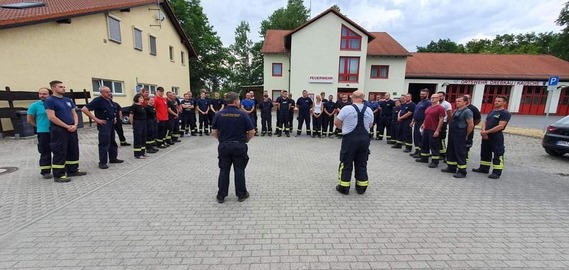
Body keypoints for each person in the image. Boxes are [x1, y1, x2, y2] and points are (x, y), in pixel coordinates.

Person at [211, 91, 255, 203]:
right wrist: (246, 140)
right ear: (235, 101)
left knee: (224, 170)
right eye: (239, 100)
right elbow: (251, 131)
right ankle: (241, 194)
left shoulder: (219, 114)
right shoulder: (243, 114)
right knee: (239, 170)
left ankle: (221, 195)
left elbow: (214, 132)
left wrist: (221, 140)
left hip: (224, 146)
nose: (239, 102)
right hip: (239, 146)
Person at [45, 80, 87, 182]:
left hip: (72, 128)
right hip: (59, 129)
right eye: (60, 87)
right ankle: (58, 175)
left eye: (64, 86)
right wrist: (66, 126)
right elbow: (51, 117)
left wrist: (75, 125)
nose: (63, 88)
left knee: (73, 149)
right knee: (60, 150)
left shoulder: (67, 100)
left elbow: (74, 113)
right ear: (53, 88)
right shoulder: (50, 100)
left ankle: (72, 170)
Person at [334, 90, 374, 195]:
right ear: (363, 98)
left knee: (346, 162)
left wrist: (345, 128)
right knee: (362, 163)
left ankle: (344, 187)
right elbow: (370, 125)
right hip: (365, 140)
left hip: (350, 140)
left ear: (352, 98)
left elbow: (336, 122)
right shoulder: (369, 110)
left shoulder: (346, 109)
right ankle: (361, 187)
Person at [82, 86, 124, 169]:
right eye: (107, 92)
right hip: (104, 124)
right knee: (104, 142)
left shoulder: (109, 100)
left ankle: (113, 158)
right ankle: (102, 162)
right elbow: (84, 109)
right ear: (101, 93)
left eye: (110, 91)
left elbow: (113, 110)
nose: (109, 93)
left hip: (111, 123)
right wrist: (96, 119)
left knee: (112, 141)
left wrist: (114, 118)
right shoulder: (98, 100)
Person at [472, 95, 511, 179]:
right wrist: (483, 130)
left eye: (499, 101)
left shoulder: (505, 113)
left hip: (496, 136)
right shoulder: (492, 111)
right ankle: (484, 168)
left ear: (504, 103)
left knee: (498, 154)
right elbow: (485, 122)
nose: (496, 102)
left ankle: (497, 172)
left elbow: (500, 126)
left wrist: (487, 132)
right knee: (485, 152)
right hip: (486, 135)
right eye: (496, 100)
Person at [441, 96, 474, 178]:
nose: (457, 102)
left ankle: (462, 171)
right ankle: (451, 167)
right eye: (456, 101)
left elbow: (471, 125)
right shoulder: (456, 110)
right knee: (451, 150)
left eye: (459, 101)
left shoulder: (467, 111)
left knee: (460, 153)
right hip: (453, 134)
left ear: (465, 102)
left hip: (461, 135)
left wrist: (466, 135)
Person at [27, 87, 53, 179]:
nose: (42, 96)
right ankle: (45, 171)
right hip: (43, 132)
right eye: (40, 94)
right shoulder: (35, 106)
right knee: (45, 151)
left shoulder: (53, 103)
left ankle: (61, 169)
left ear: (50, 94)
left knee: (59, 150)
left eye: (44, 94)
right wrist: (39, 126)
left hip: (55, 131)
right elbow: (29, 119)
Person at [415, 94, 445, 168]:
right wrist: (423, 124)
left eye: (434, 98)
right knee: (424, 144)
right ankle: (424, 158)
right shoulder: (429, 107)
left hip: (433, 129)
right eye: (432, 98)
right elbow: (427, 117)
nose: (432, 99)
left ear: (438, 99)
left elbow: (441, 119)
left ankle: (435, 162)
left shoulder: (440, 108)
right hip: (426, 129)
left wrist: (437, 130)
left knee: (434, 145)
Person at [410, 89, 431, 158]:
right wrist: (413, 121)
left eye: (423, 94)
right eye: (421, 94)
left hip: (422, 122)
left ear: (427, 94)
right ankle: (417, 151)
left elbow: (427, 114)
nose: (421, 95)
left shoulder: (428, 103)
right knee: (416, 137)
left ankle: (421, 152)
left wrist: (424, 123)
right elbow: (416, 113)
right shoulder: (420, 102)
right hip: (416, 122)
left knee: (420, 137)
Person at [128, 94, 148, 159]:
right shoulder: (134, 106)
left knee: (143, 137)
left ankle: (142, 152)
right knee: (138, 138)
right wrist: (132, 124)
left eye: (142, 98)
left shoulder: (142, 106)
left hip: (143, 122)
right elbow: (131, 116)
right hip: (137, 122)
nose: (142, 99)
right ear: (137, 99)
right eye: (141, 98)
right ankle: (137, 154)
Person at [464, 94, 481, 160]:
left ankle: (464, 160)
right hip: (460, 130)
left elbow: (477, 120)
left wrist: (471, 125)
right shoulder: (460, 107)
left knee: (466, 145)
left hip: (468, 130)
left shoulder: (473, 109)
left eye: (466, 98)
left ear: (469, 99)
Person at [437, 91, 452, 161]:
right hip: (437, 122)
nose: (439, 97)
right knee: (437, 139)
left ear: (444, 96)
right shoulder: (437, 103)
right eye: (438, 96)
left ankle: (443, 154)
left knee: (441, 139)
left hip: (444, 122)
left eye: (440, 96)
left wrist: (448, 123)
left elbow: (449, 114)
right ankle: (438, 152)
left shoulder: (447, 104)